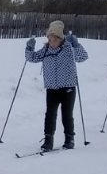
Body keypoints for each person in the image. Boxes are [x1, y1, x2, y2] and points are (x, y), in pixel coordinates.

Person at [24, 20, 89, 151]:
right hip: (52, 88)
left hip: (68, 88)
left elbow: (83, 57)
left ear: (61, 38)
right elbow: (32, 58)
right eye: (50, 38)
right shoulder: (46, 49)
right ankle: (48, 140)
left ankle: (69, 138)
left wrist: (76, 45)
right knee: (50, 114)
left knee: (67, 114)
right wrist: (29, 48)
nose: (52, 41)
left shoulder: (69, 48)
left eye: (55, 39)